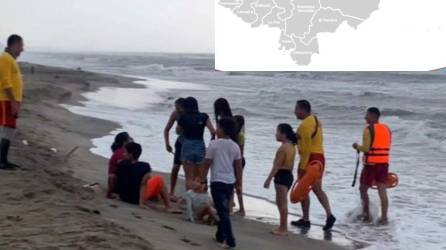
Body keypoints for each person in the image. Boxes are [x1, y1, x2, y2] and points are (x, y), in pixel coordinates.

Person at [291, 100, 336, 231]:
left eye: (296, 109)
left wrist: (302, 167)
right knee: (317, 189)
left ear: (303, 110)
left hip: (311, 160)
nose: (294, 112)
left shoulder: (304, 126)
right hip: (320, 158)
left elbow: (305, 149)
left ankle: (311, 219)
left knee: (304, 189)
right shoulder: (316, 120)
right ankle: (324, 215)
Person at [201, 118, 243, 249]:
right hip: (229, 181)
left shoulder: (214, 144)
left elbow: (207, 163)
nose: (216, 130)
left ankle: (230, 238)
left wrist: (203, 179)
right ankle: (220, 234)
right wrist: (239, 183)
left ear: (223, 129)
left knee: (222, 211)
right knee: (223, 208)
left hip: (217, 180)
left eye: (218, 128)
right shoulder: (235, 146)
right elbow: (238, 166)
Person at [353, 107, 391, 225]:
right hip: (383, 164)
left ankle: (366, 214)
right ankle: (384, 218)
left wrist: (356, 146)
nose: (365, 117)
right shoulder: (387, 129)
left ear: (374, 116)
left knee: (363, 189)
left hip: (371, 165)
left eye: (367, 115)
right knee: (382, 191)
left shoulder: (368, 129)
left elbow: (366, 148)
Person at [116, 142, 180, 213]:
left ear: (130, 155)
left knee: (150, 179)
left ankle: (157, 197)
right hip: (135, 199)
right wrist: (141, 203)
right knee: (159, 179)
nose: (123, 154)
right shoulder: (144, 166)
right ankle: (169, 206)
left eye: (125, 152)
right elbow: (143, 184)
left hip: (123, 196)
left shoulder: (122, 164)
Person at [264, 123, 297, 236]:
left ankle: (283, 228)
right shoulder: (292, 146)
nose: (276, 134)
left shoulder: (283, 148)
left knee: (281, 203)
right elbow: (292, 165)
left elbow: (276, 166)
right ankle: (283, 226)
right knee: (283, 202)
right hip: (289, 175)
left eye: (277, 132)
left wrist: (268, 179)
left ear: (284, 134)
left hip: (281, 176)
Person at [177, 97, 215, 189]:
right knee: (201, 176)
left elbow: (178, 131)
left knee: (189, 177)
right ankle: (202, 199)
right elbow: (213, 131)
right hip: (200, 145)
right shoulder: (204, 116)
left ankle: (190, 200)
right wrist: (211, 143)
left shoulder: (183, 117)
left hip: (187, 145)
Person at [0, 35, 24, 170]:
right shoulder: (5, 58)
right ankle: (2, 161)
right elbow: (5, 82)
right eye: (21, 46)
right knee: (7, 128)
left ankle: (3, 160)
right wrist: (13, 102)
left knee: (10, 129)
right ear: (13, 45)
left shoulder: (10, 59)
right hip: (6, 100)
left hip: (11, 100)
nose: (22, 49)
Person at [163, 98, 186, 199]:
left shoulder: (190, 114)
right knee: (176, 167)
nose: (177, 109)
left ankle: (190, 194)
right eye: (176, 107)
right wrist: (167, 144)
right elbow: (166, 130)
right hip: (180, 142)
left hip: (191, 144)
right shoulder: (175, 114)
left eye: (179, 108)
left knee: (189, 170)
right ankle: (171, 191)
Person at [107, 132, 132, 198]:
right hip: (120, 185)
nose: (131, 139)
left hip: (119, 183)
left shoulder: (120, 151)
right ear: (124, 142)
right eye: (129, 138)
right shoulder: (122, 153)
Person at [232, 115, 246, 216]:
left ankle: (242, 208)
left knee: (237, 185)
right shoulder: (235, 134)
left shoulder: (240, 135)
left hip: (238, 161)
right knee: (233, 184)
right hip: (236, 160)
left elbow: (240, 152)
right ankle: (232, 203)